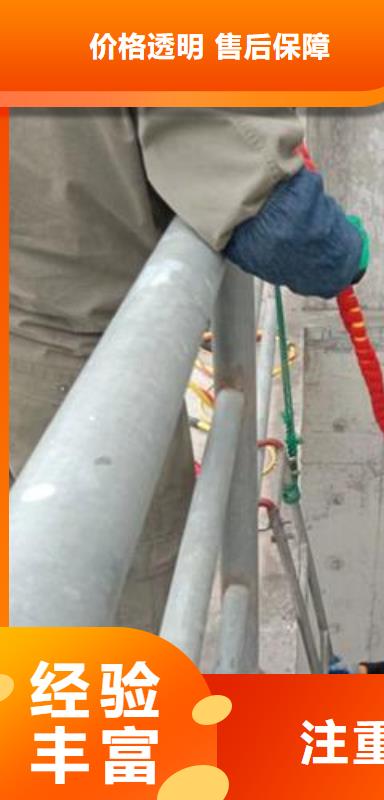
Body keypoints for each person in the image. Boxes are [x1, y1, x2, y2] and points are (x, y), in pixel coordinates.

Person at [10, 108, 365, 632]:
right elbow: (279, 227)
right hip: (85, 363)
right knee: (113, 603)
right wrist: (343, 250)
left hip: (25, 322)